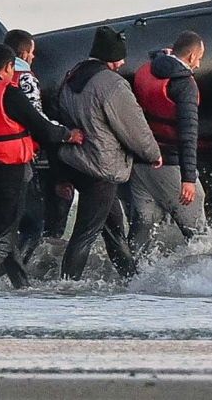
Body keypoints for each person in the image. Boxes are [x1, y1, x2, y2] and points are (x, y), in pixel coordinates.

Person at [0, 44, 82, 287]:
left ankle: (21, 286)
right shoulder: (9, 92)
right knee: (5, 234)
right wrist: (69, 135)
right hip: (9, 169)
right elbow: (41, 127)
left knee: (2, 229)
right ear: (8, 67)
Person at [54, 26, 161, 280]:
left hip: (74, 160)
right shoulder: (113, 85)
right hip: (101, 166)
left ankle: (130, 281)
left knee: (114, 229)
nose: (123, 62)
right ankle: (66, 287)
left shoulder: (71, 77)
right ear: (110, 57)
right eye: (120, 57)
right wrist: (152, 153)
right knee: (85, 234)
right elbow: (133, 126)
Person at [128, 31, 207, 255]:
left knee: (144, 224)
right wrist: (189, 178)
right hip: (169, 163)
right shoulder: (185, 85)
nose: (199, 64)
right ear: (191, 56)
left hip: (141, 160)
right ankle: (204, 279)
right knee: (199, 233)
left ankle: (130, 280)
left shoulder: (151, 67)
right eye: (199, 58)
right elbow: (188, 133)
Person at [4, 28, 70, 256]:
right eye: (32, 53)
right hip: (22, 155)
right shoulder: (26, 79)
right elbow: (37, 120)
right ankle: (15, 277)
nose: (33, 58)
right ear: (24, 54)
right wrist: (65, 134)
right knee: (33, 224)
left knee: (0, 222)